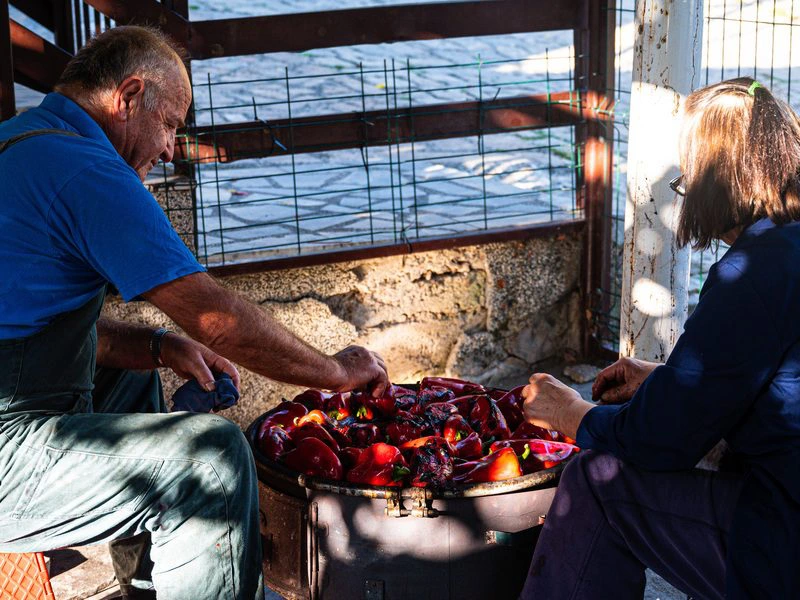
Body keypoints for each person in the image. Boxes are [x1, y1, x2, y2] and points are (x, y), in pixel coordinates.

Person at [0, 26, 389, 599]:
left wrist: (161, 347)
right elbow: (213, 313)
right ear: (128, 97)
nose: (168, 150)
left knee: (132, 386)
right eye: (170, 124)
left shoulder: (25, 137)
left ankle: (150, 586)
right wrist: (336, 372)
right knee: (211, 461)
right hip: (10, 452)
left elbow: (38, 326)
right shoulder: (86, 170)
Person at [519, 77, 800, 600]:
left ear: (717, 182)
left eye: (688, 179)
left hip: (784, 542)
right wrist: (666, 381)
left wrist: (569, 413)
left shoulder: (755, 272)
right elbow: (771, 378)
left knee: (595, 481)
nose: (686, 190)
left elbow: (662, 440)